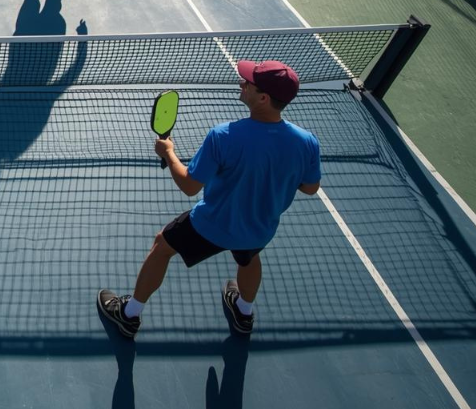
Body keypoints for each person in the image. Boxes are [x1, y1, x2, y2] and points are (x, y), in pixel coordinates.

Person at [98, 60, 321, 338]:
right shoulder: (307, 142)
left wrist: (168, 153)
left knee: (162, 245)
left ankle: (128, 314)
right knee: (249, 259)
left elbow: (190, 186)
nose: (242, 84)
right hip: (259, 229)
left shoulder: (224, 136)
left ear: (263, 97)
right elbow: (311, 187)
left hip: (212, 225)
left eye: (248, 83)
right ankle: (244, 311)